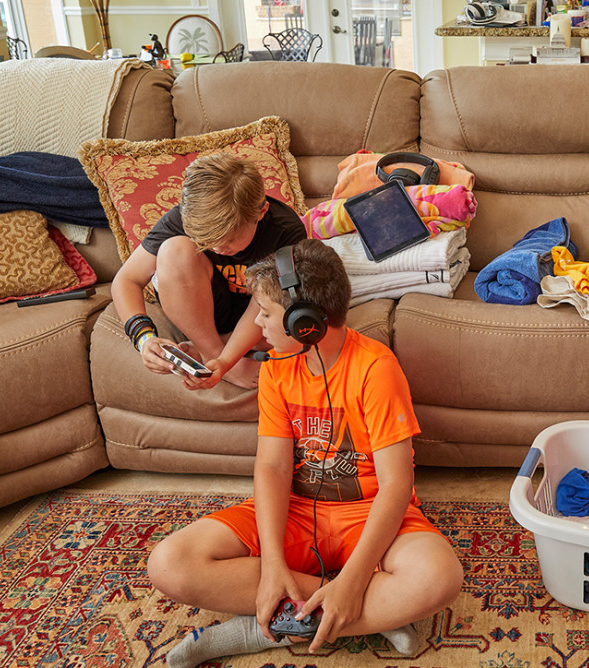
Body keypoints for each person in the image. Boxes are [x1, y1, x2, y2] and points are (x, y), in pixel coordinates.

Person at [147, 239, 464, 667]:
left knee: (439, 578)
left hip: (368, 511)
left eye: (265, 313)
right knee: (169, 564)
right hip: (295, 511)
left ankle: (270, 625)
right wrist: (273, 565)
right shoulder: (277, 367)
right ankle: (363, 613)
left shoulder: (376, 367)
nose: (257, 325)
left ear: (305, 323)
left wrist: (351, 581)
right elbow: (274, 466)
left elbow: (396, 485)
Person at [113, 153, 306, 390]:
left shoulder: (285, 230)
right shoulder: (184, 217)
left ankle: (211, 349)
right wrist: (144, 338)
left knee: (294, 319)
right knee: (174, 249)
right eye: (206, 241)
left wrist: (226, 360)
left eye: (229, 240)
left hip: (258, 317)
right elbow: (126, 279)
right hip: (199, 312)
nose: (216, 249)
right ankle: (209, 349)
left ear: (261, 211)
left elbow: (264, 303)